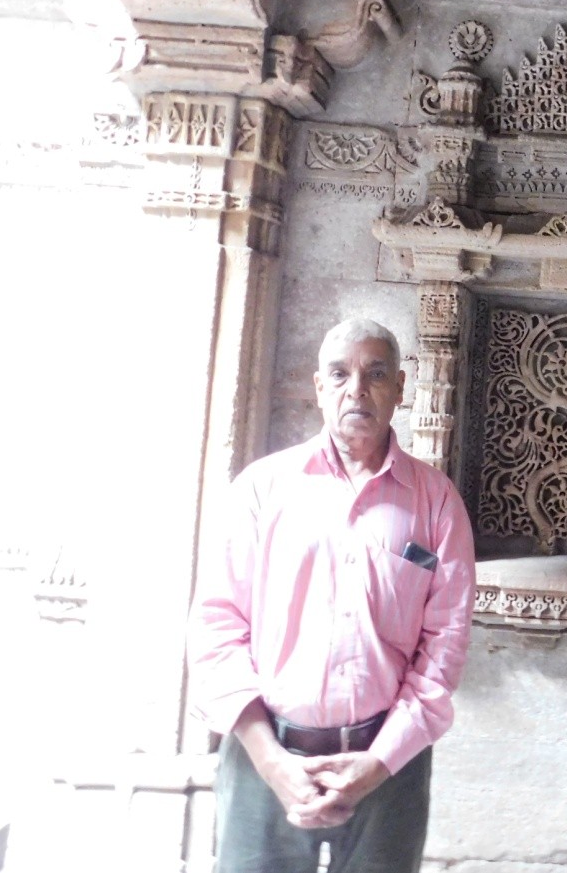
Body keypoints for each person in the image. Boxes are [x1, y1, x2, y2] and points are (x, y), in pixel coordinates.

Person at [187, 317, 475, 873]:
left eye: (375, 374)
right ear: (319, 387)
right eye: (339, 374)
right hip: (263, 754)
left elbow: (444, 648)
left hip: (387, 766)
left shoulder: (436, 503)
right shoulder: (262, 489)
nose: (357, 389)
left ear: (400, 388)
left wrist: (379, 761)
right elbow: (217, 627)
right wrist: (273, 763)